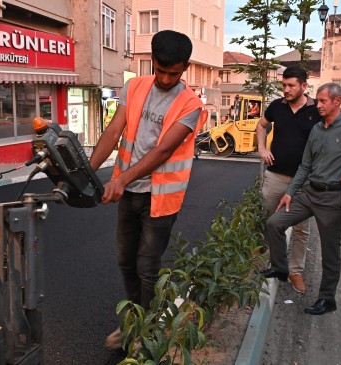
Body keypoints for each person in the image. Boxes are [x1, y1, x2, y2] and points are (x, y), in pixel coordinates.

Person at [88, 30, 207, 350]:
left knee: (147, 265)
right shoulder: (135, 86)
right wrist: (88, 173)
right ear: (151, 61)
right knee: (125, 260)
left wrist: (121, 179)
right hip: (130, 193)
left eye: (175, 73)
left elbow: (163, 152)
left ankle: (147, 330)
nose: (167, 79)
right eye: (161, 70)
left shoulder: (191, 104)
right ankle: (133, 321)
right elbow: (113, 130)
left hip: (161, 197)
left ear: (185, 68)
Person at [264, 83, 341, 315]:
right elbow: (305, 165)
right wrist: (290, 192)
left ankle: (327, 299)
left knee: (330, 251)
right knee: (274, 223)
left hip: (333, 198)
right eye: (317, 101)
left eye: (322, 101)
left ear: (337, 101)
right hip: (309, 193)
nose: (317, 105)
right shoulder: (317, 129)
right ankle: (280, 269)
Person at [256, 66, 320, 294]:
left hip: (304, 183)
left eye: (291, 85)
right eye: (284, 85)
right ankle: (276, 264)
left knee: (302, 229)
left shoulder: (317, 110)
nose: (286, 90)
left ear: (304, 86)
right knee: (271, 221)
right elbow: (261, 126)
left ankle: (295, 271)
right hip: (275, 176)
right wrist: (262, 148)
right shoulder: (276, 107)